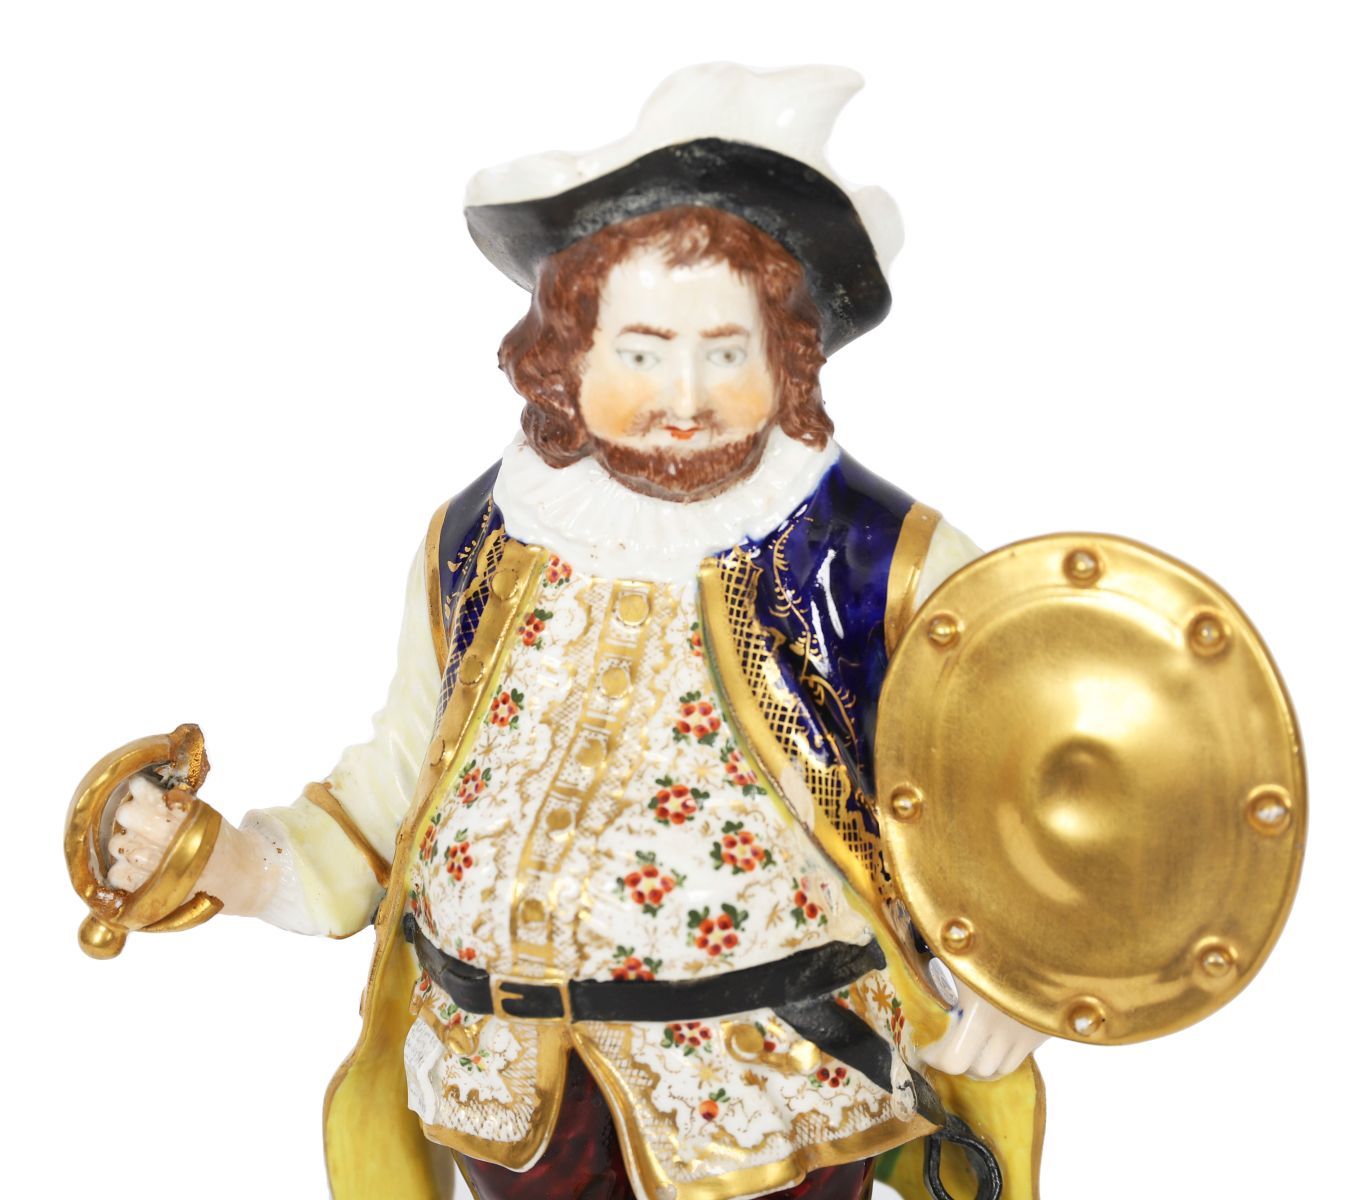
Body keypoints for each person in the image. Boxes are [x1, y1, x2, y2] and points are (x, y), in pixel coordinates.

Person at [107, 65, 1047, 1200]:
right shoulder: (480, 538)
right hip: (508, 1091)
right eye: (642, 350)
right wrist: (239, 867)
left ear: (787, 357)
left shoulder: (874, 557)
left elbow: (1021, 783)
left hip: (766, 1088)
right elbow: (401, 779)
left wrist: (1019, 970)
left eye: (726, 350)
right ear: (568, 353)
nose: (684, 395)